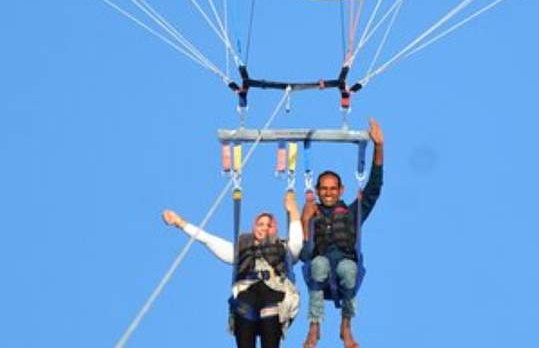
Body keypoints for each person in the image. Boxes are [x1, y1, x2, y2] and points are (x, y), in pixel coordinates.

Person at [163, 191, 303, 348]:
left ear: (275, 229)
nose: (264, 228)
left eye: (269, 225)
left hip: (275, 293)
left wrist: (293, 211)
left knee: (270, 310)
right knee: (243, 305)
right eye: (260, 224)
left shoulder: (284, 248)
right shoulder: (240, 249)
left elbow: (297, 244)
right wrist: (181, 223)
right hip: (248, 292)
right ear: (253, 227)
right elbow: (209, 240)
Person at [300, 118, 383, 348]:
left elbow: (374, 188)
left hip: (345, 264)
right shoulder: (311, 213)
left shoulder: (352, 213)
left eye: (332, 189)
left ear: (341, 190)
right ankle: (314, 326)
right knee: (318, 265)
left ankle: (346, 326)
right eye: (324, 189)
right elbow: (303, 253)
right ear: (317, 191)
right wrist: (305, 218)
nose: (328, 193)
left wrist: (379, 147)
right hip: (320, 267)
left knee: (348, 269)